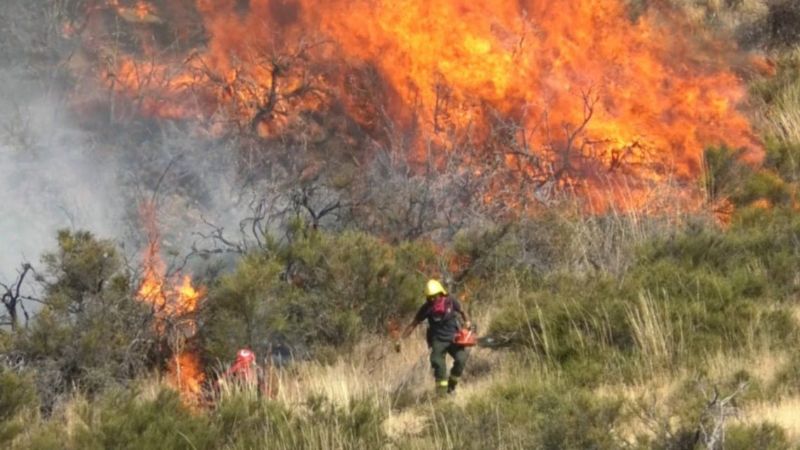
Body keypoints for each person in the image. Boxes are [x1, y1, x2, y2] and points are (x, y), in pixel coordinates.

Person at [397, 279, 471, 395]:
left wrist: (467, 322)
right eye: (430, 297)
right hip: (438, 341)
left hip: (454, 338)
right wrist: (401, 339)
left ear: (441, 293)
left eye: (435, 296)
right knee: (437, 363)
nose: (433, 299)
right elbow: (413, 324)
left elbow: (462, 310)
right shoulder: (426, 308)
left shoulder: (451, 302)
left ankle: (451, 386)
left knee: (461, 359)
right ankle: (442, 396)